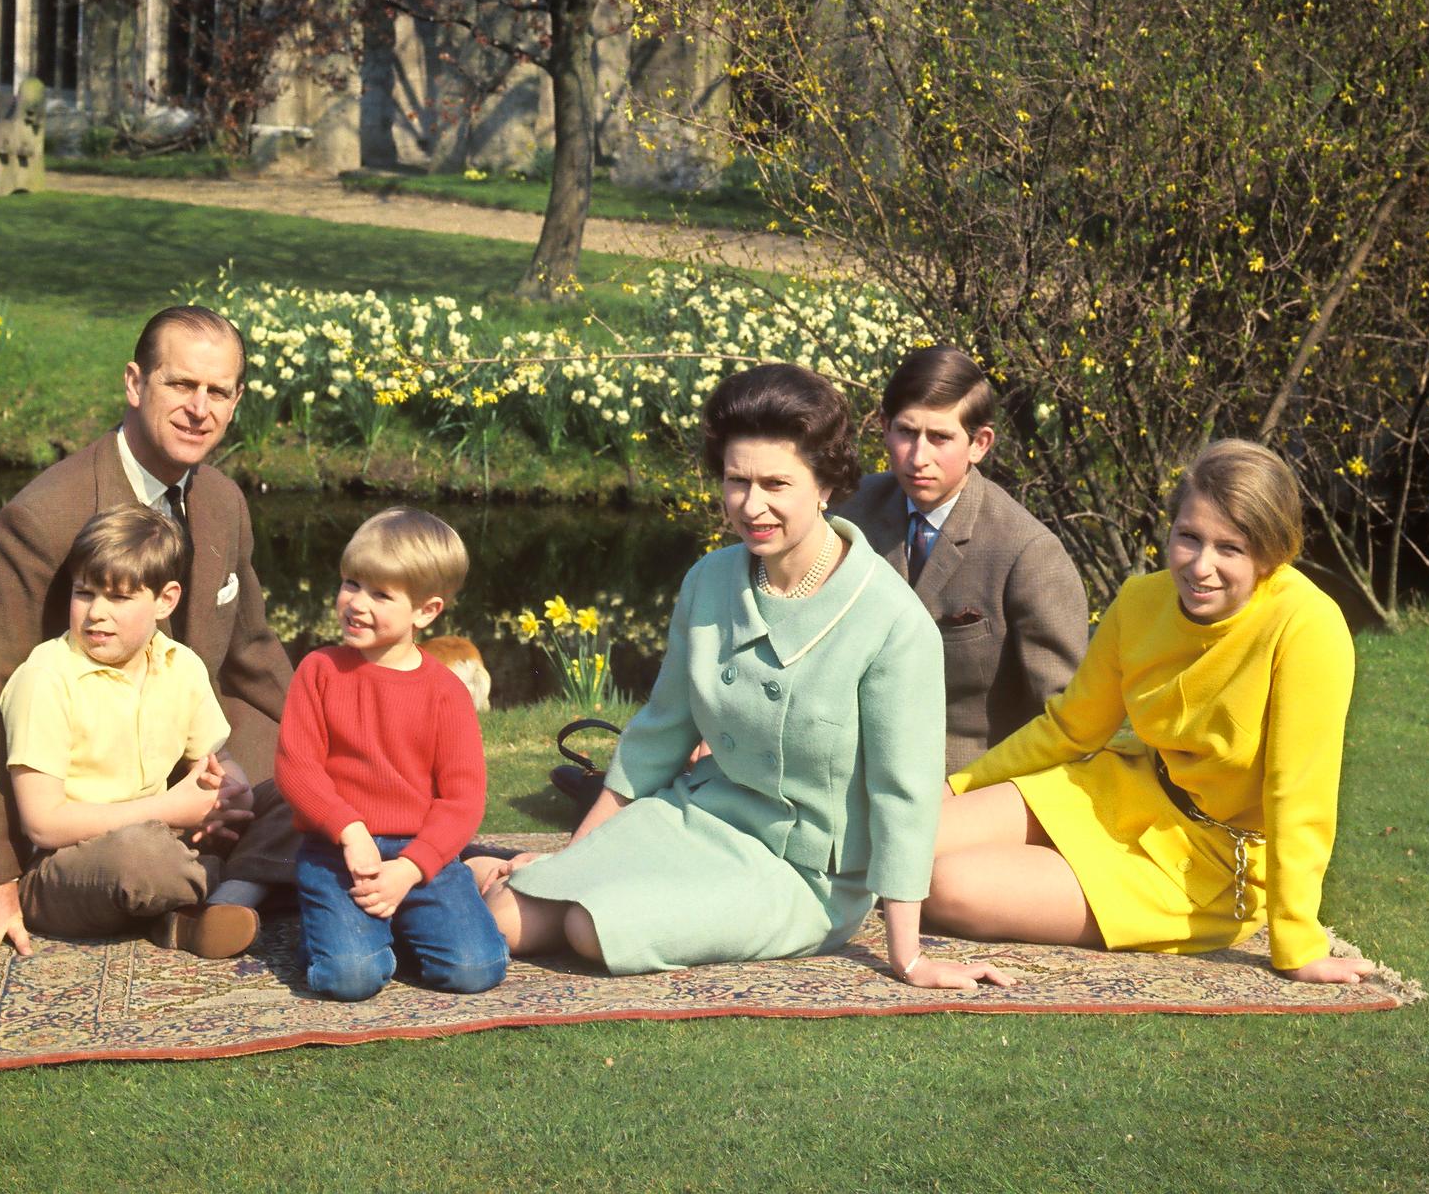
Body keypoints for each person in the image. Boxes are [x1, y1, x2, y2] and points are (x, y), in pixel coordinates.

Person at [478, 363, 1012, 992]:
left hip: (806, 877)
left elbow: (904, 798)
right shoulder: (709, 580)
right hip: (697, 816)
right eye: (736, 481)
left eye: (775, 484)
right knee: (508, 920)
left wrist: (909, 957)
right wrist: (579, 854)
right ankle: (475, 879)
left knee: (591, 931)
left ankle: (488, 872)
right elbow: (660, 733)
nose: (750, 506)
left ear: (825, 485)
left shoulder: (892, 622)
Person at [926, 439, 1377, 985]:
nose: (1201, 567)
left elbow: (1298, 793)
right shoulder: (1141, 600)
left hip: (1208, 863)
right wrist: (959, 785)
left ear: (1270, 552)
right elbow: (1072, 727)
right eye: (1188, 537)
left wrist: (1298, 942)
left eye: (1229, 548)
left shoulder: (1307, 626)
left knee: (941, 886)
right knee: (901, 843)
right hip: (1124, 788)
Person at [0, 304, 295, 956]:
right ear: (135, 383)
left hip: (181, 751)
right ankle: (226, 882)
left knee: (319, 789)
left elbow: (253, 652)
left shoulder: (222, 501)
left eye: (218, 391)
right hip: (83, 801)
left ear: (236, 400)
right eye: (181, 384)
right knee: (142, 860)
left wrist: (335, 742)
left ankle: (221, 895)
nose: (200, 407)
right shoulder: (43, 518)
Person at [0, 505, 259, 955]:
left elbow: (216, 759)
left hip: (168, 838)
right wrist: (171, 809)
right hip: (74, 864)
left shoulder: (181, 665)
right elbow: (42, 825)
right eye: (84, 593)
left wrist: (230, 794)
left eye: (118, 598)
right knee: (143, 857)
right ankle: (239, 889)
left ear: (166, 600)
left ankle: (191, 915)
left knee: (289, 805)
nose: (96, 613)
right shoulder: (46, 678)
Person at [274, 509, 508, 1001]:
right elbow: (297, 769)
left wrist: (411, 868)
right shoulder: (319, 671)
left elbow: (463, 801)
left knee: (477, 969)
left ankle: (395, 919)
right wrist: (349, 829)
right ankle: (329, 939)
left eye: (381, 595)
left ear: (425, 611)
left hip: (421, 856)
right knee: (351, 978)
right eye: (351, 584)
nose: (356, 604)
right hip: (338, 851)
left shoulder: (446, 692)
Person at [835, 345, 1088, 771]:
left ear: (979, 443)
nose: (918, 458)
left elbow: (1065, 722)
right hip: (845, 764)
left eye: (940, 438)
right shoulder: (849, 513)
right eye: (905, 432)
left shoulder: (1027, 554)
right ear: (883, 428)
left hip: (966, 782)